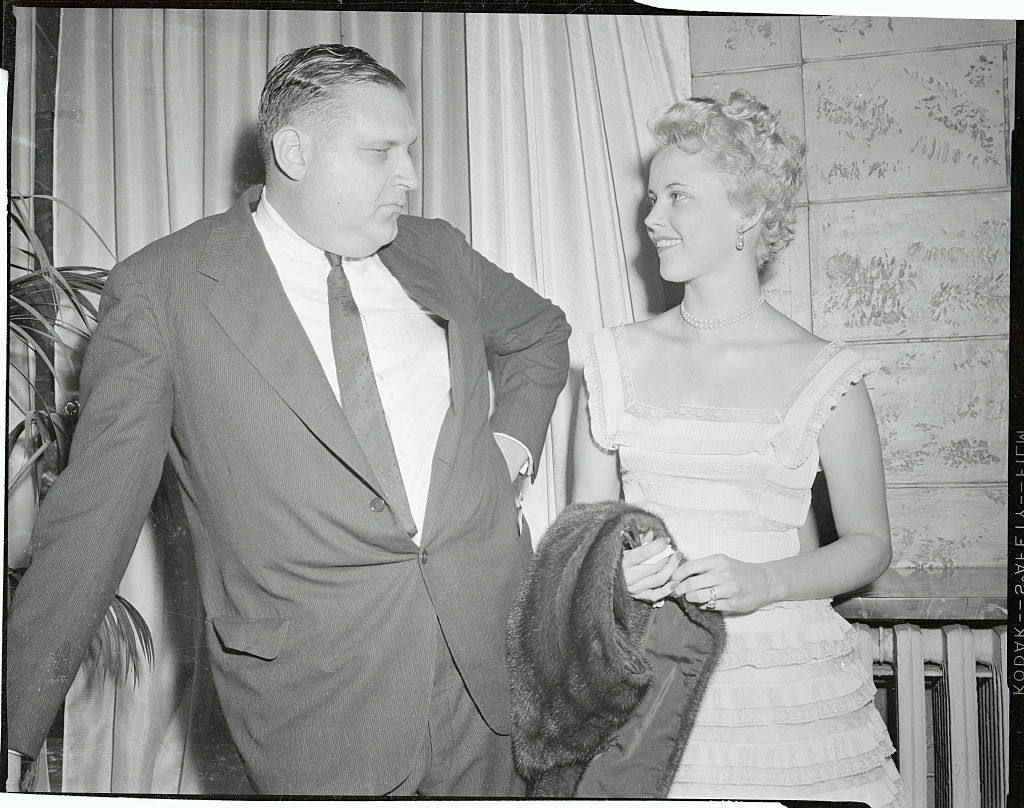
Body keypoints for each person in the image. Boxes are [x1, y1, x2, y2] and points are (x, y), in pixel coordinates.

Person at [6, 44, 570, 796]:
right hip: (315, 702)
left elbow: (540, 335)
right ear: (293, 151)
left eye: (410, 150)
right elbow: (94, 514)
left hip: (481, 670)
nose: (408, 175)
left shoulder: (436, 251)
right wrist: (15, 720)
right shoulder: (164, 291)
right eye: (381, 152)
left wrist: (509, 450)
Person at [572, 90, 903, 806]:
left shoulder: (828, 373)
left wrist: (769, 582)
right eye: (652, 197)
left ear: (748, 213)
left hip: (782, 681)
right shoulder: (609, 360)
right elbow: (584, 530)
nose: (652, 219)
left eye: (678, 197)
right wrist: (614, 569)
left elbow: (870, 544)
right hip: (645, 669)